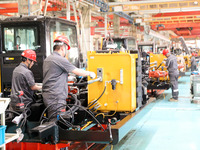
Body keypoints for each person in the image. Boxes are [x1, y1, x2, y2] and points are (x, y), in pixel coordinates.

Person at [42, 35, 96, 120]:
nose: (66, 51)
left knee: (53, 118)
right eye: (66, 49)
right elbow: (77, 71)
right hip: (56, 98)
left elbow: (54, 74)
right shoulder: (60, 59)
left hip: (49, 95)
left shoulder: (48, 59)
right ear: (62, 47)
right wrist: (90, 73)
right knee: (58, 121)